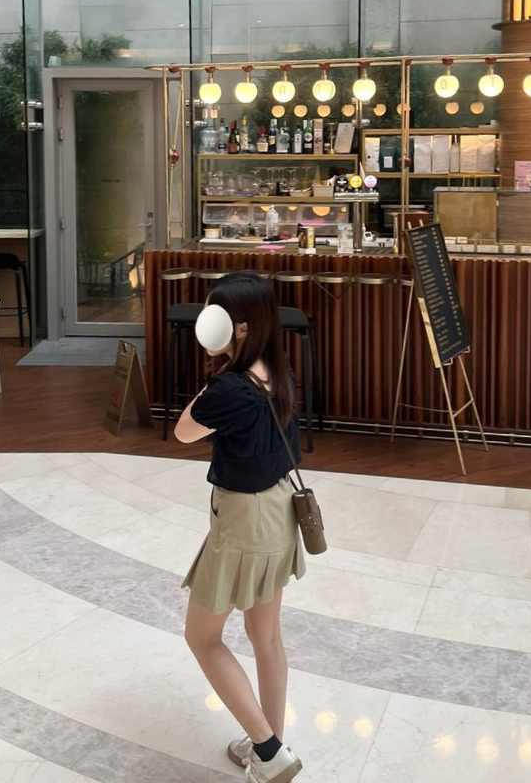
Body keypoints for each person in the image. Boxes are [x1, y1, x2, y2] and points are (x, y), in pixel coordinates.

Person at [175, 272, 305, 783]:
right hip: (280, 512)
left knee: (202, 637)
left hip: (244, 523)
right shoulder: (276, 368)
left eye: (216, 317)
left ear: (242, 327)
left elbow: (185, 432)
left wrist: (216, 376)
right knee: (265, 636)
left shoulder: (229, 387)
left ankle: (269, 752)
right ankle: (269, 746)